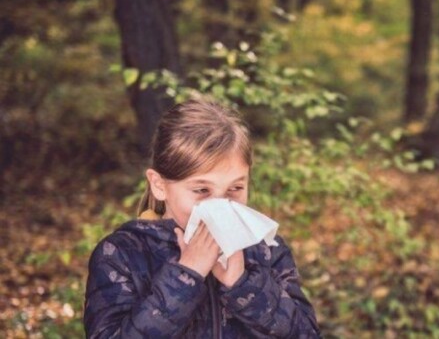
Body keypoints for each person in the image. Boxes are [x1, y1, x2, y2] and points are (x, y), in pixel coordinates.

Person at [84, 99, 321, 338]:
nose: (219, 206)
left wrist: (243, 284)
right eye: (201, 191)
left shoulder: (267, 250)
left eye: (235, 189)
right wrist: (186, 274)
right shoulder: (122, 254)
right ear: (159, 185)